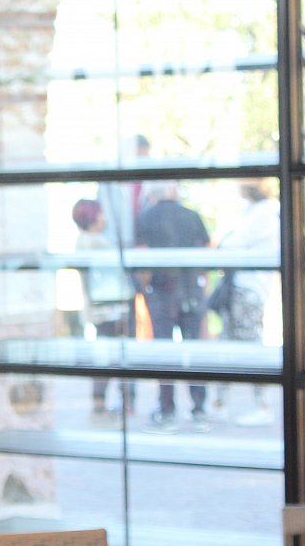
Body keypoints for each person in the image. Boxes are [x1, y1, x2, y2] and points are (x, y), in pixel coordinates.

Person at [134, 182, 212, 432]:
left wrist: (144, 290)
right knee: (195, 351)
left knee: (164, 354)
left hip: (162, 294)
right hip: (191, 291)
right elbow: (205, 254)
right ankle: (199, 408)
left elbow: (143, 258)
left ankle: (167, 410)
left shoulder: (145, 217)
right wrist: (201, 287)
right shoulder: (192, 216)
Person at [208, 180, 280, 426]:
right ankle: (220, 403)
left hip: (249, 289)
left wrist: (226, 241)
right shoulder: (254, 212)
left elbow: (231, 243)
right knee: (229, 343)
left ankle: (262, 405)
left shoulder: (264, 213)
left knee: (249, 346)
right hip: (242, 287)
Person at [69, 198, 135, 420]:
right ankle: (124, 402)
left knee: (103, 355)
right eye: (101, 213)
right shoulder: (96, 242)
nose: (104, 218)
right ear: (94, 217)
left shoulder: (81, 241)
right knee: (117, 356)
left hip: (98, 310)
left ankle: (99, 401)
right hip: (110, 309)